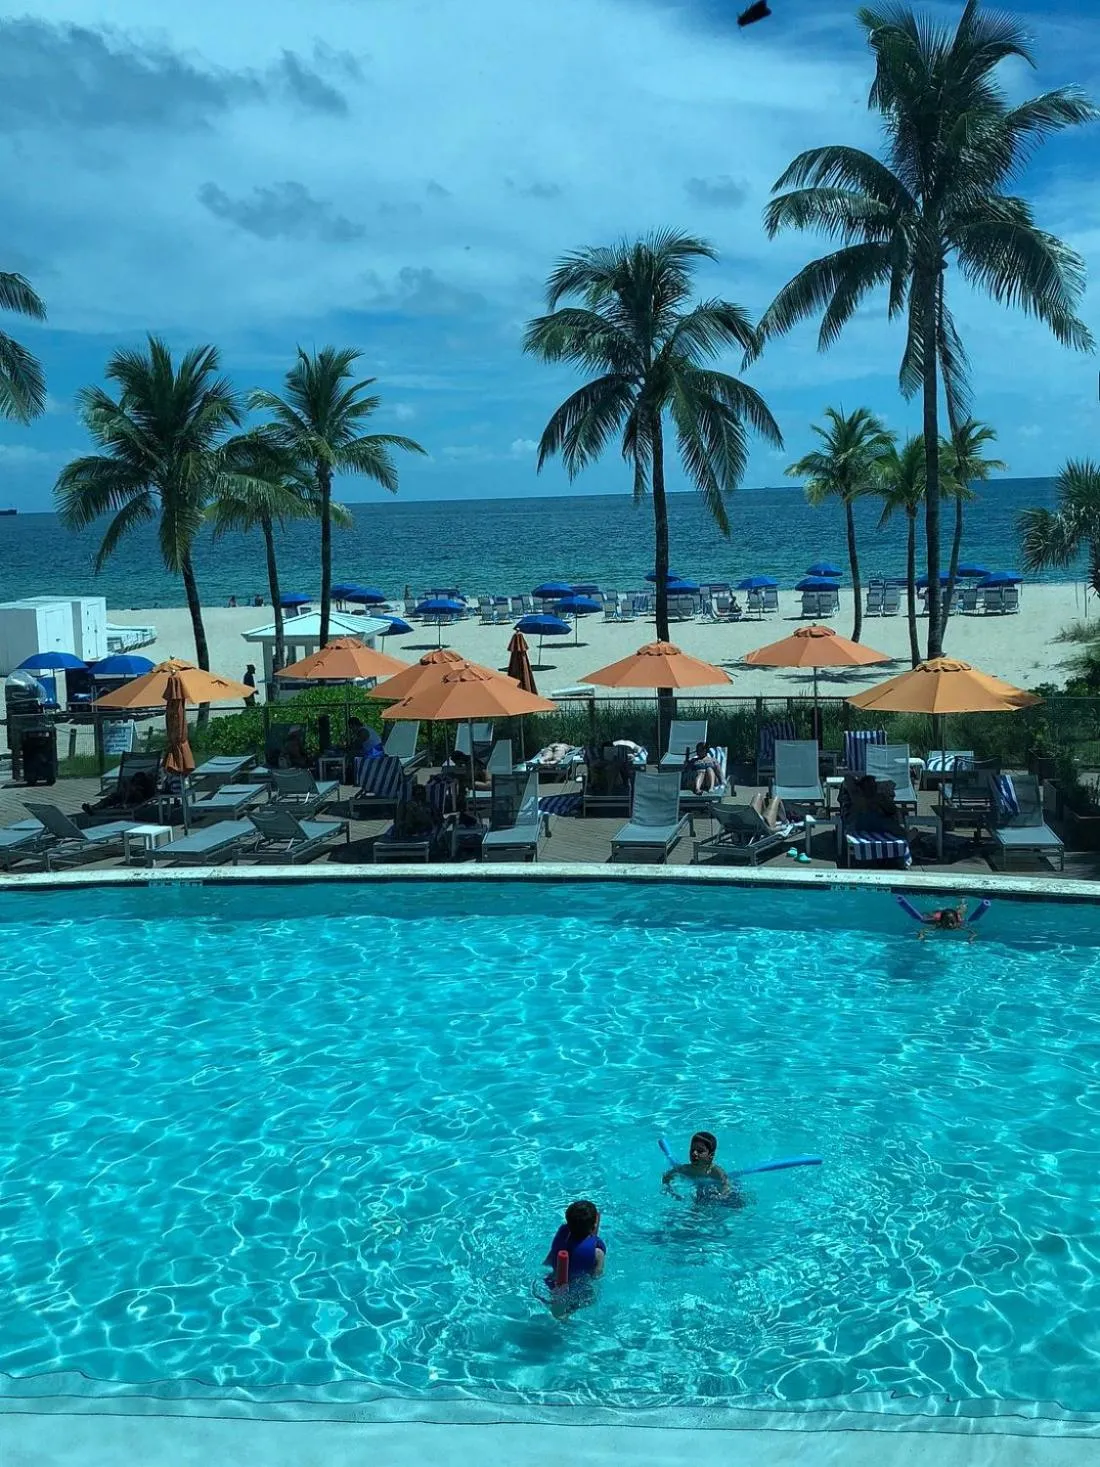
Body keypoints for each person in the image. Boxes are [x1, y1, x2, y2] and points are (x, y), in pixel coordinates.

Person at [543, 1199, 605, 1313]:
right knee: (582, 1303)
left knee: (557, 1310)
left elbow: (549, 1259)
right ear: (594, 1226)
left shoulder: (562, 1236)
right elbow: (596, 1276)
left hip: (554, 1282)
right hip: (578, 1290)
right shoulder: (597, 1253)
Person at [662, 1131, 737, 1203]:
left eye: (700, 1151)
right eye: (692, 1149)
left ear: (711, 1156)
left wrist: (721, 1196)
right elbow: (666, 1177)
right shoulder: (685, 1169)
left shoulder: (716, 1172)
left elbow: (726, 1185)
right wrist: (671, 1191)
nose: (694, 1153)